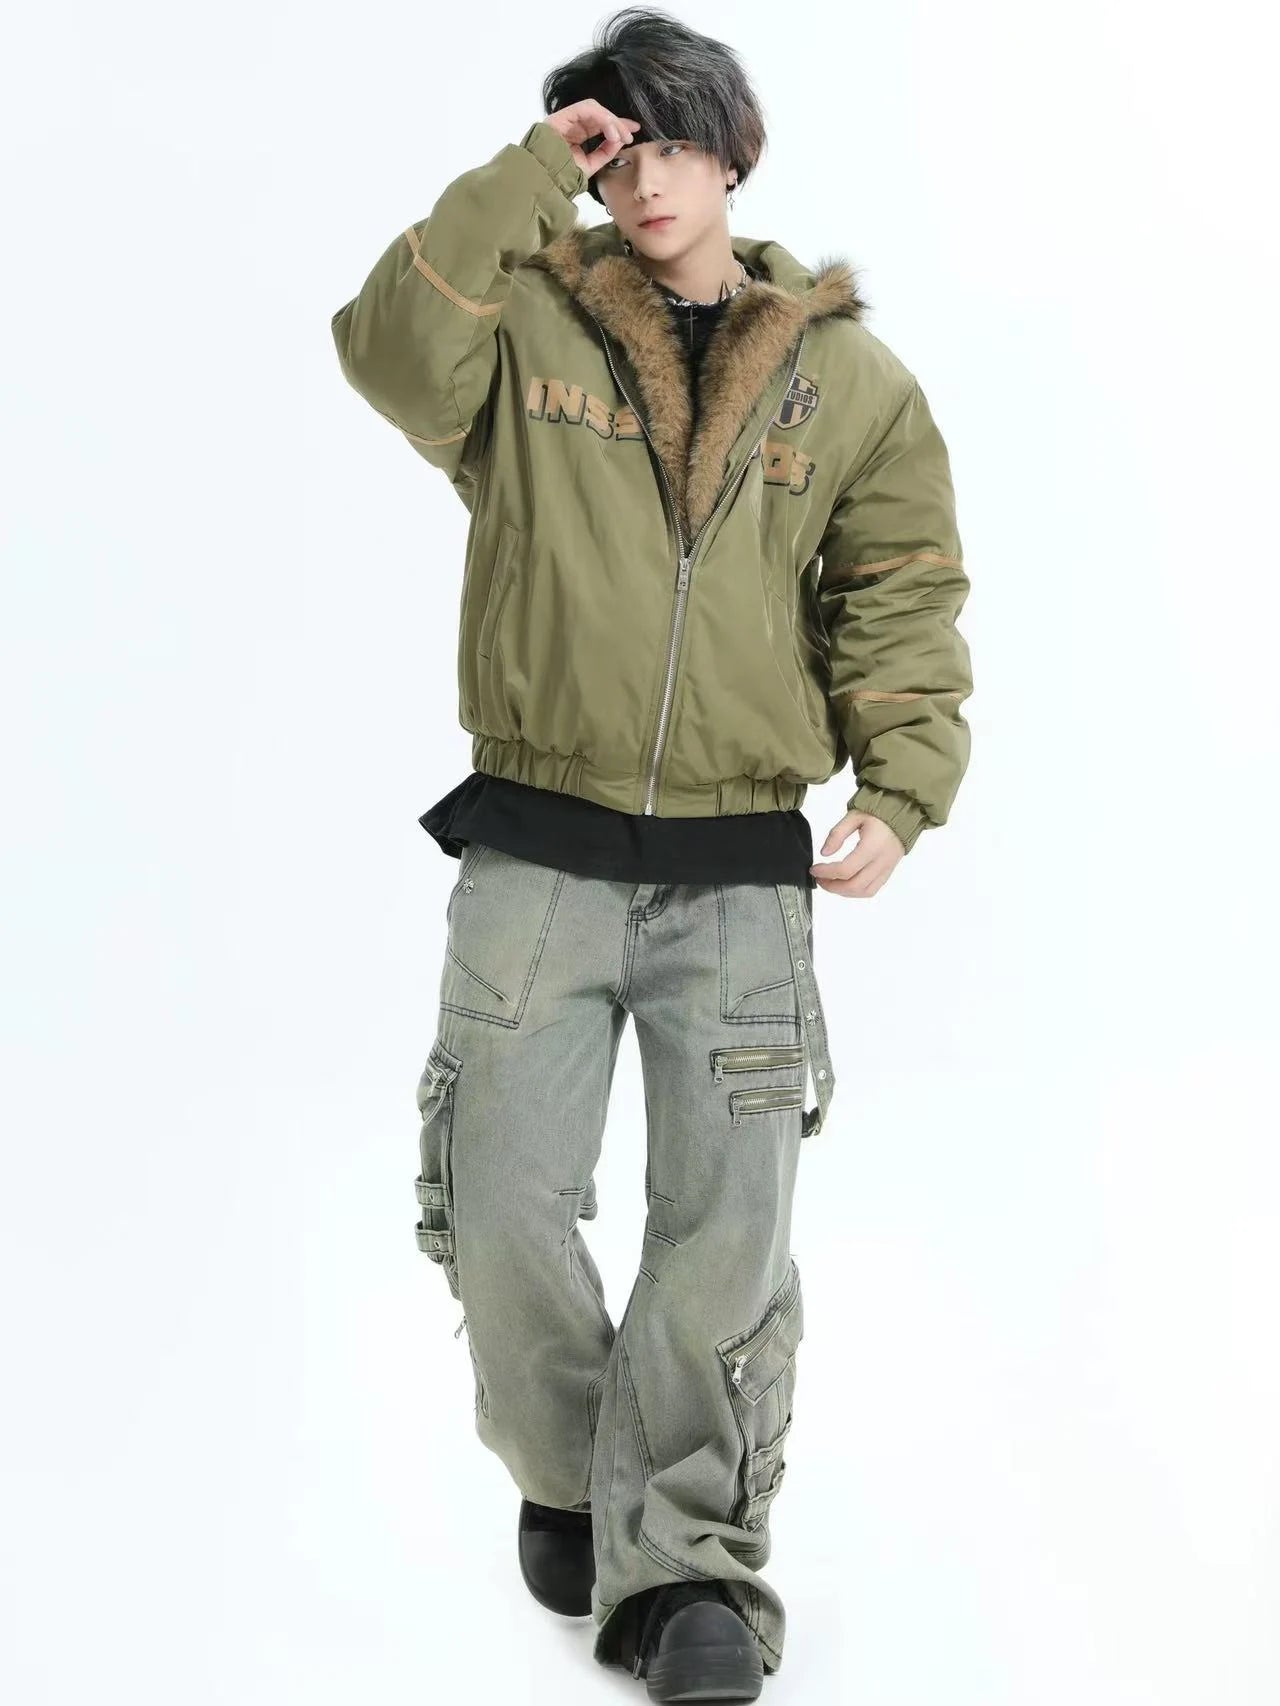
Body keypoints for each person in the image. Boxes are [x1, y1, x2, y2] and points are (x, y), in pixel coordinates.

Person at [329, 7, 973, 1698]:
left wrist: (903, 783)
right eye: (616, 149)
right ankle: (570, 1470)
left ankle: (686, 1565)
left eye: (672, 141)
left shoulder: (849, 381)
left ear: (734, 152)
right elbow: (385, 349)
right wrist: (539, 162)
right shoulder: (523, 321)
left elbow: (900, 590)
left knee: (723, 1228)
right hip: (537, 850)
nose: (645, 179)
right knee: (495, 1196)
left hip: (743, 873)